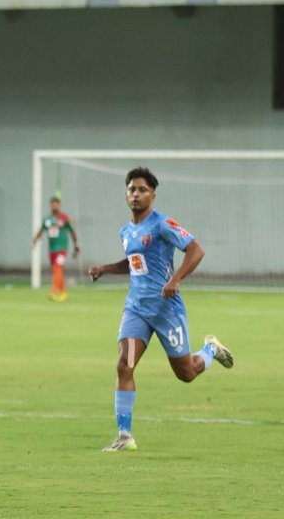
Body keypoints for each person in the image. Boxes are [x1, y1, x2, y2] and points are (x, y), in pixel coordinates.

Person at [88, 167, 234, 452]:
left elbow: (196, 250)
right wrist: (104, 269)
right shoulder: (126, 230)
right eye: (132, 189)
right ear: (126, 194)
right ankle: (124, 435)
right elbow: (133, 262)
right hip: (137, 310)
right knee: (124, 365)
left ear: (153, 195)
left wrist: (176, 279)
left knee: (186, 374)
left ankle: (211, 350)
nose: (136, 194)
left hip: (166, 310)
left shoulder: (163, 224)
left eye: (142, 190)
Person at [31, 192, 78, 301]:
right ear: (50, 205)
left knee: (57, 267)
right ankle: (64, 292)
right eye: (53, 204)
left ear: (59, 205)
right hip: (52, 249)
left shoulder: (64, 218)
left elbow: (72, 231)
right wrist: (34, 241)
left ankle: (54, 291)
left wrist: (76, 245)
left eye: (56, 204)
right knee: (57, 269)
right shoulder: (47, 219)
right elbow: (41, 230)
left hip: (62, 249)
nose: (55, 206)